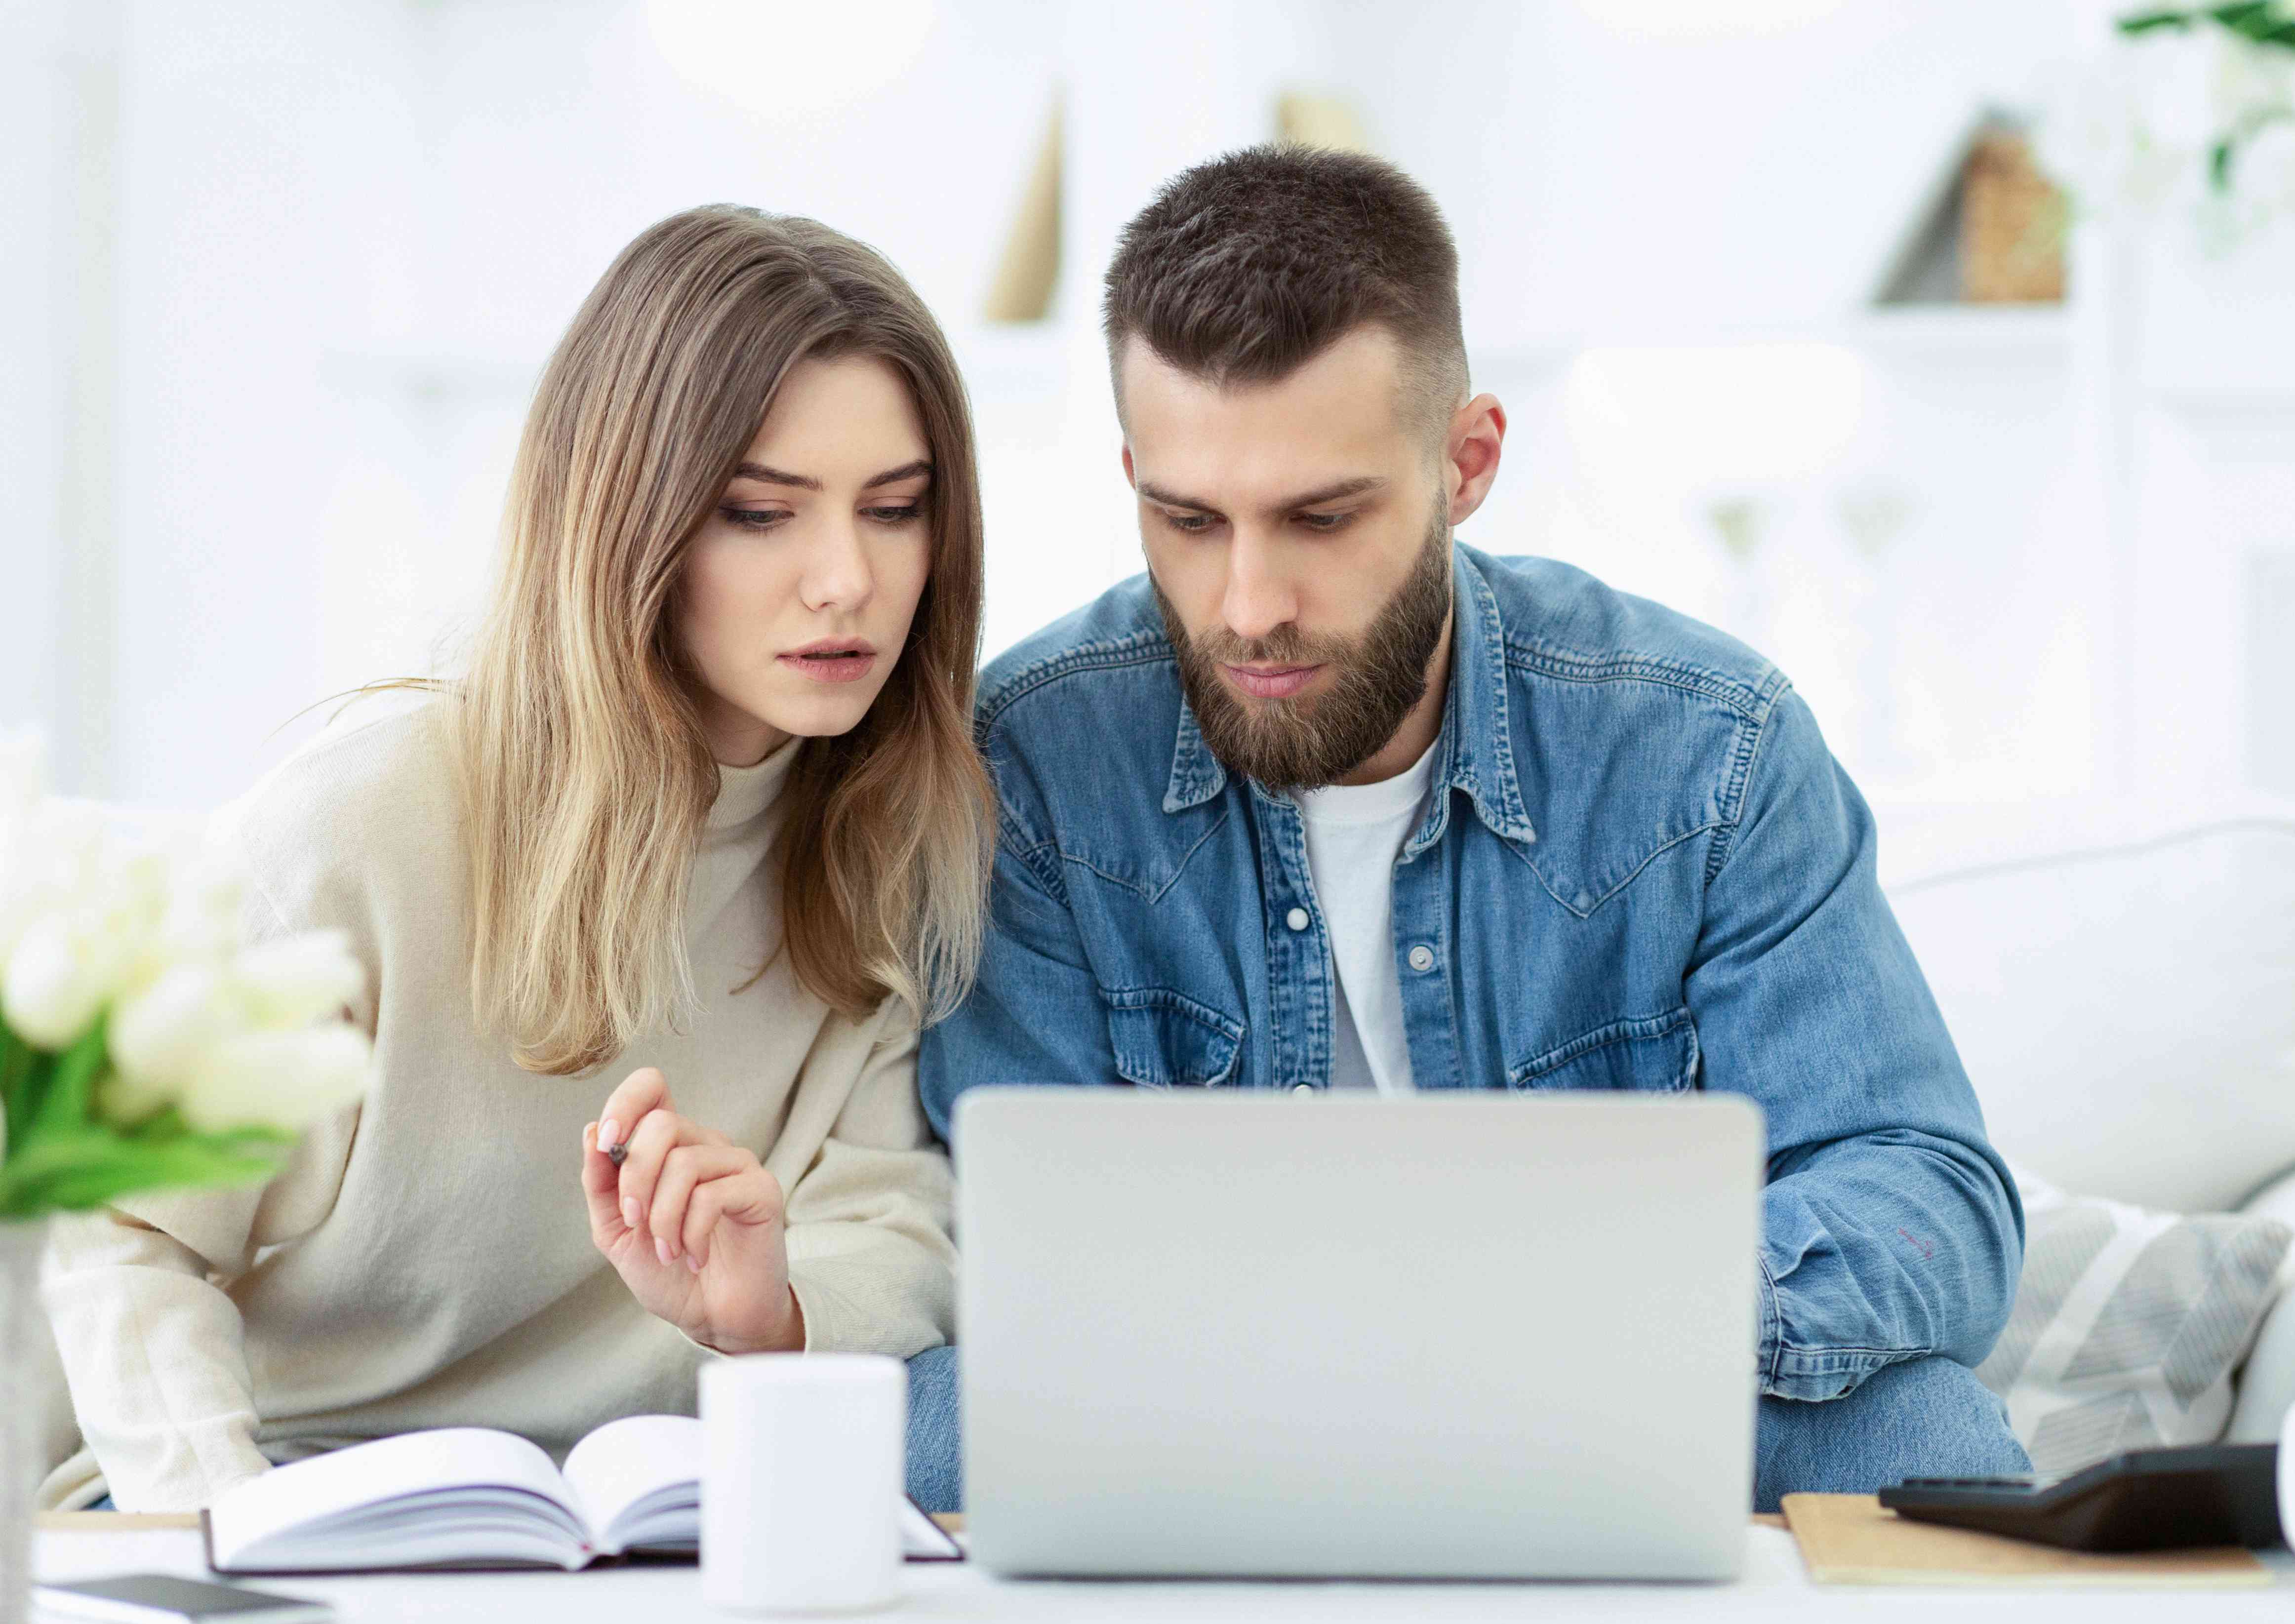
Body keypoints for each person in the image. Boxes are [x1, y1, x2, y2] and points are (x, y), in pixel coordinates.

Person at [911, 147, 2028, 1514]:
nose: (1248, 602)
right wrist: (1362, 1363)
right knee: (904, 1431)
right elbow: (1029, 1264)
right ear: (1133, 472)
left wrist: (1555, 1321)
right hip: (1204, 1413)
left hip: (1602, 1391)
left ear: (1468, 460)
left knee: (1923, 1431)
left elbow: (1927, 1195)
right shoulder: (1025, 760)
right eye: (1187, 519)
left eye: (1320, 517)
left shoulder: (1707, 743)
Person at [42, 205, 990, 1511]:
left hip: (638, 1528)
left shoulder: (892, 837)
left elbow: (894, 1233)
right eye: (761, 513)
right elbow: (116, 1235)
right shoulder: (361, 824)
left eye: (895, 509)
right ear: (630, 519)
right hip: (276, 1503)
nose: (848, 579)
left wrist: (767, 1310)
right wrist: (234, 1531)